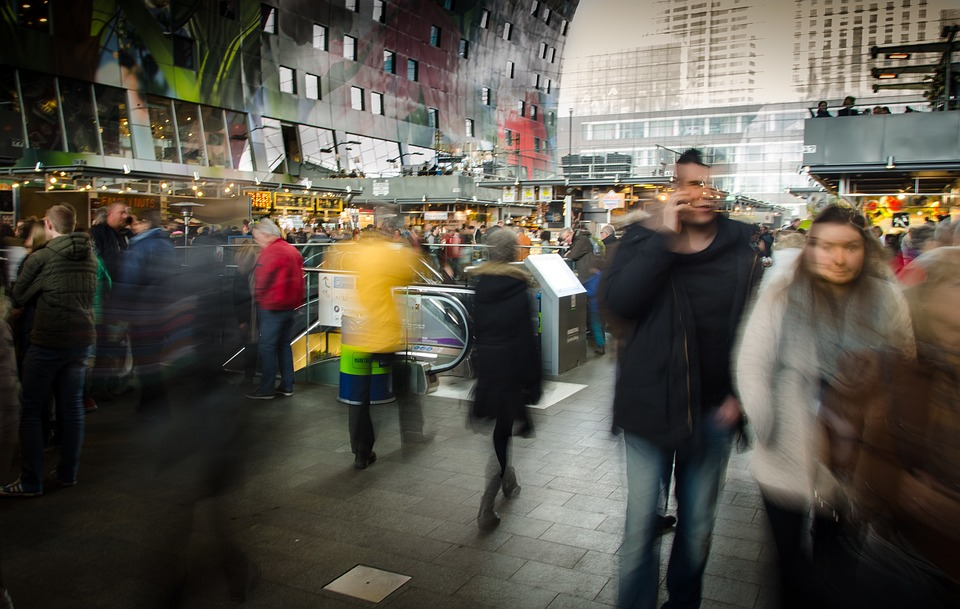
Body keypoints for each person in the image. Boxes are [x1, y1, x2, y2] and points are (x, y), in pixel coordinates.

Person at [734, 205, 914, 609]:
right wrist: (766, 424)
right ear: (810, 248)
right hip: (785, 455)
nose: (838, 257)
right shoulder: (783, 294)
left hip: (853, 463)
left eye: (850, 247)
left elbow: (904, 363)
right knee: (789, 564)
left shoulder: (885, 298)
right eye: (827, 246)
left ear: (865, 249)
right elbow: (752, 361)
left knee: (837, 562)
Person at [603, 149, 761, 609]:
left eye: (709, 185)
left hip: (714, 412)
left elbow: (751, 331)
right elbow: (623, 304)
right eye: (690, 184)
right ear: (674, 189)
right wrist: (663, 240)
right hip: (649, 406)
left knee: (697, 529)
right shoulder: (641, 240)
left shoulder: (741, 248)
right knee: (639, 528)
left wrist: (740, 394)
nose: (701, 194)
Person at [1, 204, 96, 496]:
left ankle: (31, 480)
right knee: (72, 408)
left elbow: (19, 295)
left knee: (30, 408)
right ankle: (68, 472)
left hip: (48, 339)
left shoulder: (41, 258)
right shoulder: (89, 257)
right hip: (81, 339)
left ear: (47, 224)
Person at [470, 228, 540, 529]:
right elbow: (526, 341)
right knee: (502, 434)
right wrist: (533, 382)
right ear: (513, 254)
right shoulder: (519, 291)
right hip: (511, 370)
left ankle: (508, 480)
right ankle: (487, 505)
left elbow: (476, 331)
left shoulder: (479, 286)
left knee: (501, 429)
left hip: (488, 367)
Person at [339, 230, 419, 469]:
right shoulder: (385, 254)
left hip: (357, 333)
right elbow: (408, 273)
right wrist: (414, 248)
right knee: (403, 386)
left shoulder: (353, 253)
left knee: (359, 398)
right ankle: (412, 435)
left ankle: (361, 453)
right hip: (383, 332)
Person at [116, 210, 178, 420]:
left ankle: (154, 408)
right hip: (163, 312)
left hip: (143, 314)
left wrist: (122, 311)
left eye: (133, 221)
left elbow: (129, 281)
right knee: (152, 362)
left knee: (146, 364)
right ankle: (151, 405)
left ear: (144, 223)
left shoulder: (140, 247)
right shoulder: (166, 245)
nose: (130, 225)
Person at [246, 219, 304, 400]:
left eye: (256, 238)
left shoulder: (271, 252)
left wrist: (259, 298)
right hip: (290, 306)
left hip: (272, 306)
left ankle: (266, 388)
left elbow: (262, 280)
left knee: (267, 347)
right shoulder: (291, 250)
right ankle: (287, 385)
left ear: (265, 234)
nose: (256, 241)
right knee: (284, 345)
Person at [233, 241, 260, 385]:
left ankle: (248, 375)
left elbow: (237, 297)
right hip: (257, 313)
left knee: (249, 345)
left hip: (246, 314)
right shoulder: (257, 271)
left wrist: (242, 320)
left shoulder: (240, 272)